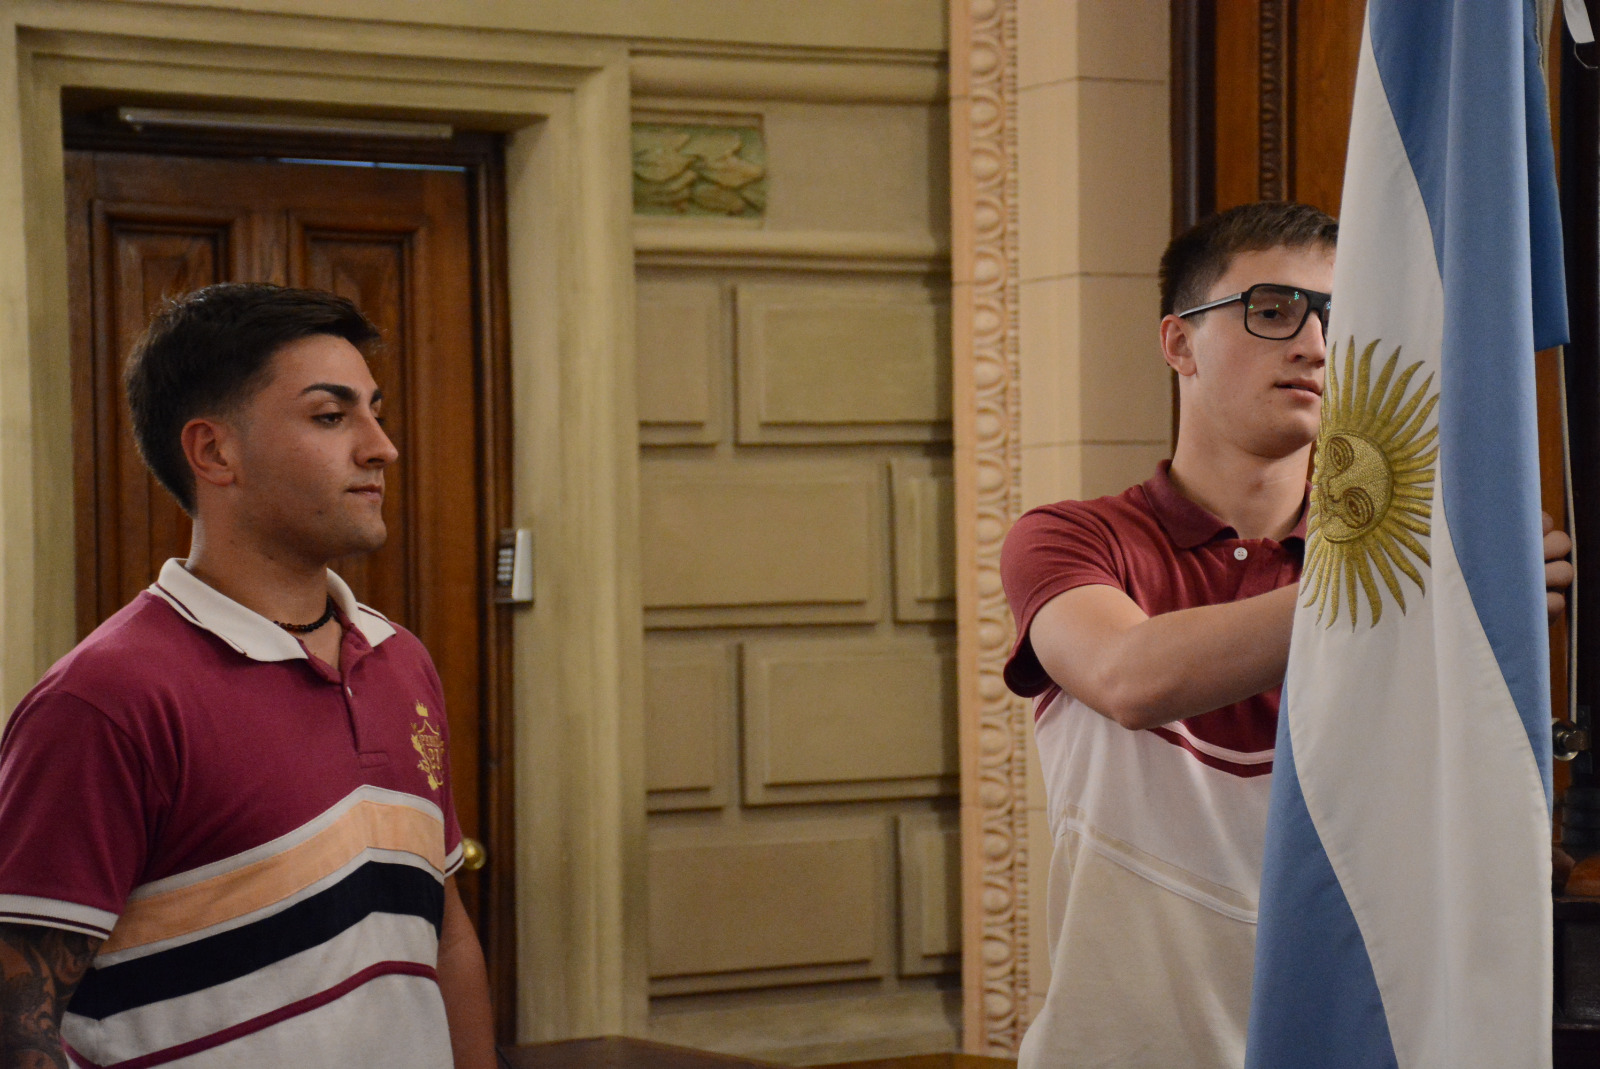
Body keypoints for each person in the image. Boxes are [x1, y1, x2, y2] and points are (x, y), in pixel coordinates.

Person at [1000, 201, 1573, 1069]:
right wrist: (1425, 588)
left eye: (1341, 318)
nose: (1314, 343)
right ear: (1179, 343)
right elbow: (1127, 676)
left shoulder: (1418, 577)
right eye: (1272, 310)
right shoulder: (1073, 537)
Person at [0, 284, 496, 1068]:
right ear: (214, 452)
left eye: (376, 411)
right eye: (330, 416)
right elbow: (15, 1018)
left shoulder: (400, 659)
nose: (382, 447)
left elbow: (446, 929)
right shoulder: (105, 701)